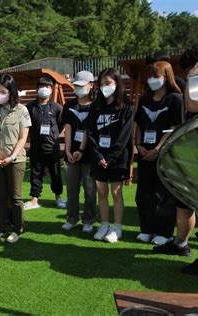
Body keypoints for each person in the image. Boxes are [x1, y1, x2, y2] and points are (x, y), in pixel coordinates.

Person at [154, 44, 198, 275]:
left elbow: (192, 104)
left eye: (191, 68)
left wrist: (195, 75)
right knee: (191, 203)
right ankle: (186, 246)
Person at [135, 61, 183, 245]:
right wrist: (138, 145)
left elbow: (175, 127)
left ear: (167, 77)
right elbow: (138, 124)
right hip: (144, 152)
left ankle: (164, 232)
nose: (152, 80)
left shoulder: (175, 99)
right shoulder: (145, 98)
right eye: (150, 76)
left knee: (164, 194)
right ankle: (147, 229)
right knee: (144, 193)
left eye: (156, 76)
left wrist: (157, 149)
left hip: (164, 154)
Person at [86, 68, 134, 243]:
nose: (105, 87)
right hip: (99, 157)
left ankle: (117, 227)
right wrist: (98, 156)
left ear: (117, 83)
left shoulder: (126, 106)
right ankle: (104, 224)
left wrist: (111, 157)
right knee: (101, 191)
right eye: (102, 84)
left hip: (118, 158)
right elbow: (90, 132)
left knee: (116, 192)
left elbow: (124, 136)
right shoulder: (95, 107)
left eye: (108, 83)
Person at [0, 74, 31, 243]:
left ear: (11, 92)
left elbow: (22, 138)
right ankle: (1, 227)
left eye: (3, 91)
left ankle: (18, 228)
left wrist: (12, 157)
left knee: (15, 197)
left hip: (15, 161)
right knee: (0, 195)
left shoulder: (21, 110)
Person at [61, 71, 97, 232]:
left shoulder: (97, 106)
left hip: (89, 155)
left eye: (82, 86)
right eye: (76, 86)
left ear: (91, 85)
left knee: (90, 190)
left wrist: (82, 150)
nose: (78, 89)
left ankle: (88, 219)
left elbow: (91, 131)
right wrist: (68, 151)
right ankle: (71, 218)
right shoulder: (69, 105)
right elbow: (67, 129)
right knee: (72, 189)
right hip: (72, 155)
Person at [24, 75, 66, 210]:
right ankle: (34, 200)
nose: (44, 89)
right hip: (36, 146)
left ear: (52, 89)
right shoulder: (29, 107)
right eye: (41, 86)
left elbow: (61, 125)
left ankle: (58, 198)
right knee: (35, 174)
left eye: (47, 86)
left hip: (52, 147)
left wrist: (53, 136)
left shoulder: (57, 108)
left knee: (56, 174)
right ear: (37, 89)